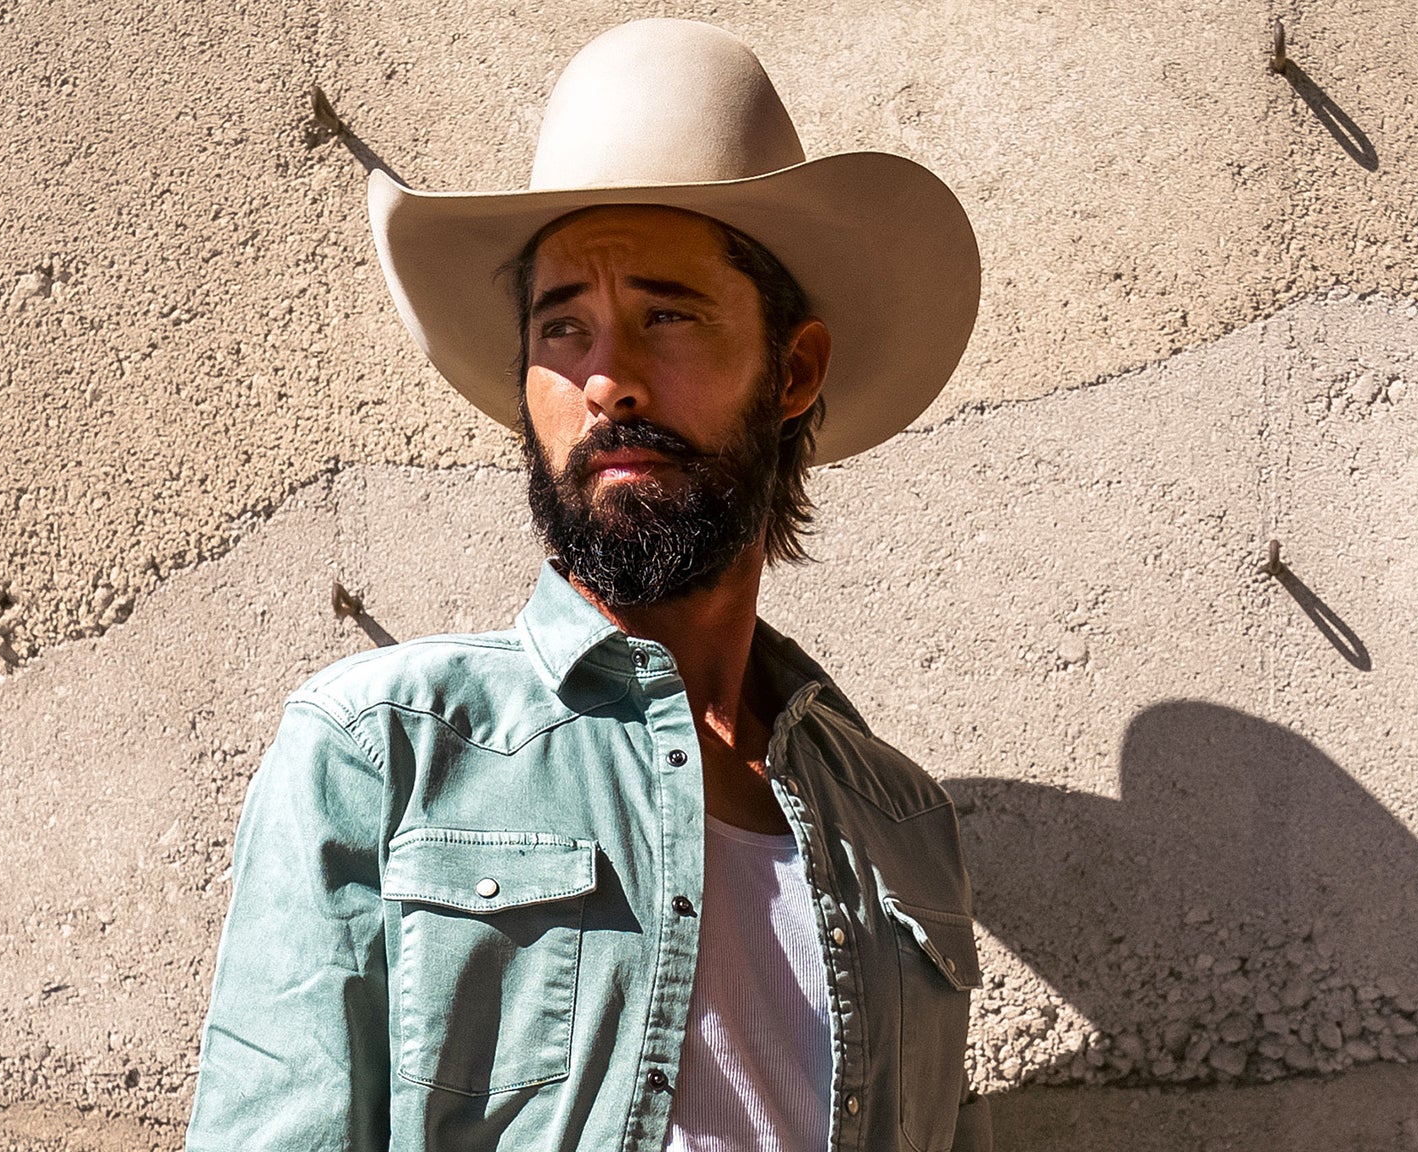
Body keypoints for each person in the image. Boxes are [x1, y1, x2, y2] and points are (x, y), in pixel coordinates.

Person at [185, 18, 986, 1152]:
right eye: (563, 326)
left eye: (667, 314)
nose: (607, 379)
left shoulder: (901, 824)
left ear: (793, 369)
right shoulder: (382, 752)